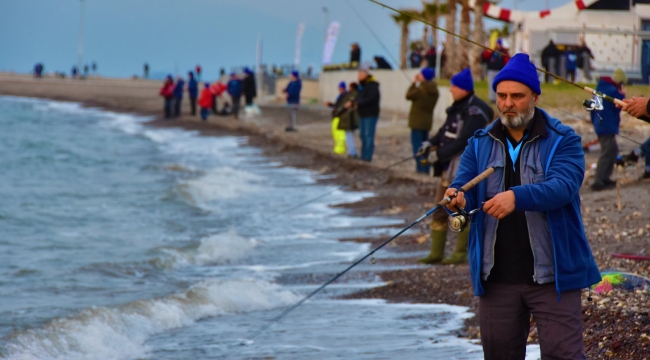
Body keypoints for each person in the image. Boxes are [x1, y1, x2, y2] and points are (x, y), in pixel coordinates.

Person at [444, 54, 600, 359]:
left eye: (517, 96)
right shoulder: (479, 142)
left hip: (555, 277)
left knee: (564, 355)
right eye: (501, 96)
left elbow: (563, 187)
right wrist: (458, 199)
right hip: (496, 278)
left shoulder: (563, 140)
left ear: (535, 97)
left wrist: (515, 197)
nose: (507, 104)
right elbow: (464, 187)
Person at [417, 67, 493, 265]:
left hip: (464, 169)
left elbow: (465, 141)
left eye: (453, 86)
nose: (450, 90)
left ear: (463, 88)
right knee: (440, 206)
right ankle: (436, 253)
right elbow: (443, 132)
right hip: (447, 168)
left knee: (461, 208)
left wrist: (438, 155)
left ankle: (461, 253)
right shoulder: (457, 107)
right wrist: (429, 144)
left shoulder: (476, 111)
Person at [590, 68, 626, 191]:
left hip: (600, 125)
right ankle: (599, 180)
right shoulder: (612, 91)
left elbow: (592, 108)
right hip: (607, 126)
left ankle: (605, 178)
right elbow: (618, 106)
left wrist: (594, 123)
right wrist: (622, 94)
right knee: (607, 152)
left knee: (612, 149)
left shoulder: (598, 90)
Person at [406, 67, 439, 173]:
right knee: (426, 148)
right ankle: (426, 168)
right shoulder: (435, 90)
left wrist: (414, 83)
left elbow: (408, 95)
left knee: (417, 147)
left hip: (416, 123)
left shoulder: (420, 90)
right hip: (427, 122)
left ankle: (420, 169)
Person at [351, 69, 380, 161]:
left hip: (370, 114)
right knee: (362, 135)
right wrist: (354, 103)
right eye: (358, 76)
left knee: (368, 136)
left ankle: (367, 157)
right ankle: (363, 155)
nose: (359, 78)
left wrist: (359, 103)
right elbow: (359, 97)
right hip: (362, 114)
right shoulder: (361, 86)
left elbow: (372, 99)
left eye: (360, 76)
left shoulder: (372, 86)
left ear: (365, 76)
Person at [326, 81, 350, 155]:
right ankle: (337, 149)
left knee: (340, 134)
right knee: (335, 133)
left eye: (340, 88)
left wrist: (334, 107)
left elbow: (341, 107)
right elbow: (337, 106)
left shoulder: (345, 96)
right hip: (336, 117)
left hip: (340, 117)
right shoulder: (341, 96)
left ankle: (340, 149)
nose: (339, 89)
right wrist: (330, 104)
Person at [336, 83, 360, 158]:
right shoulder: (357, 96)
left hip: (349, 119)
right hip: (352, 119)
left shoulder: (351, 96)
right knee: (350, 136)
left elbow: (344, 106)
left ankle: (352, 153)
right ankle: (351, 152)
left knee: (349, 136)